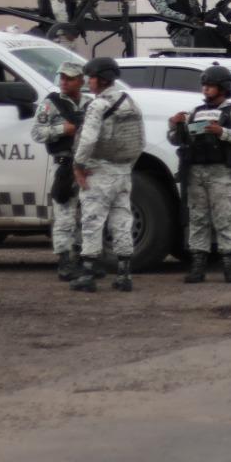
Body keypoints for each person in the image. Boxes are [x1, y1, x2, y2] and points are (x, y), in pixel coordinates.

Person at [169, 65, 231, 283]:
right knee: (198, 218)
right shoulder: (196, 112)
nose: (205, 89)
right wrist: (175, 125)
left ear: (223, 87)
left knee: (225, 217)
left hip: (223, 173)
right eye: (204, 85)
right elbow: (177, 139)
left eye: (210, 86)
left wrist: (222, 132)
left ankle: (229, 265)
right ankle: (198, 266)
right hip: (196, 172)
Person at [71, 57, 145, 291]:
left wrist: (79, 165)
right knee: (122, 220)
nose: (87, 81)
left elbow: (88, 138)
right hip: (123, 170)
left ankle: (88, 273)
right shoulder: (129, 102)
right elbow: (140, 140)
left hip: (99, 169)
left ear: (101, 79)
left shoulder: (98, 105)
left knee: (92, 220)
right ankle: (124, 274)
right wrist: (127, 165)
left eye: (90, 77)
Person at [30, 59, 89, 281]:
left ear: (80, 81)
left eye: (69, 78)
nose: (64, 82)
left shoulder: (89, 103)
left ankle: (84, 259)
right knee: (64, 215)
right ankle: (65, 261)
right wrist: (62, 129)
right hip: (64, 165)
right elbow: (37, 132)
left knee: (86, 215)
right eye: (62, 77)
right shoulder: (52, 103)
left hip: (86, 166)